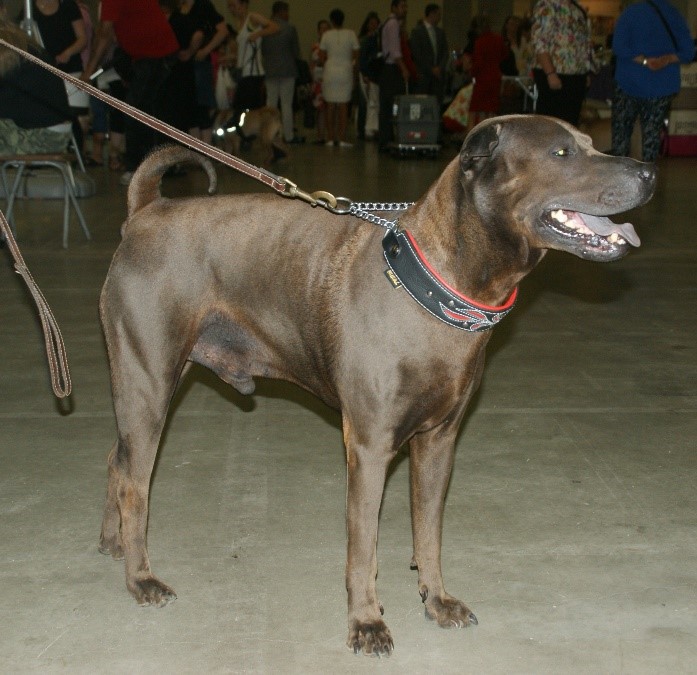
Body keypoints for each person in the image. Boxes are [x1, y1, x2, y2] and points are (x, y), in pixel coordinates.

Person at [82, 0, 179, 185]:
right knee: (146, 109)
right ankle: (153, 167)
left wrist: (88, 71)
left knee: (136, 111)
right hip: (152, 55)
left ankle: (139, 169)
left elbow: (104, 34)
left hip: (155, 55)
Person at [611, 0, 694, 162]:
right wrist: (667, 59)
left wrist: (644, 61)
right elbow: (688, 52)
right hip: (661, 86)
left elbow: (618, 46)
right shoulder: (674, 14)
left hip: (628, 83)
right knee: (651, 138)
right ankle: (649, 180)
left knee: (621, 137)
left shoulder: (630, 13)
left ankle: (618, 179)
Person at [0, 18, 73, 155]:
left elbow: (6, 102)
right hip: (55, 133)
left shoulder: (8, 52)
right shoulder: (23, 44)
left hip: (43, 137)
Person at [531, 0, 592, 126]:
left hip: (576, 74)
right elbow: (539, 42)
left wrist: (585, 71)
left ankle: (566, 147)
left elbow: (583, 42)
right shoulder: (547, 5)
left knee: (570, 124)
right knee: (551, 124)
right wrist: (550, 73)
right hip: (556, 73)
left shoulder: (577, 7)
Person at [180, 0, 229, 145]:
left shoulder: (203, 6)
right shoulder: (178, 7)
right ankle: (195, 148)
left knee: (201, 107)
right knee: (189, 108)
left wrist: (206, 50)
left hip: (200, 63)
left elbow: (223, 30)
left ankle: (205, 149)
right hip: (183, 65)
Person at [227, 0, 278, 121]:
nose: (232, 9)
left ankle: (255, 133)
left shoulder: (253, 18)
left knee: (248, 108)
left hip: (253, 72)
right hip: (244, 71)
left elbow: (275, 27)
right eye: (230, 7)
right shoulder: (239, 22)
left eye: (234, 6)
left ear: (243, 4)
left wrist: (258, 34)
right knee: (243, 108)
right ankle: (248, 134)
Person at [262, 1, 302, 144]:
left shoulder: (265, 28)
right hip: (287, 70)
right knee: (286, 105)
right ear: (282, 11)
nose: (288, 14)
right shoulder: (290, 28)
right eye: (287, 11)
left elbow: (263, 51)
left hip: (270, 70)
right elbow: (296, 52)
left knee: (270, 104)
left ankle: (270, 134)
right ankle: (289, 135)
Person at [318, 8, 359, 147]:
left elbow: (321, 55)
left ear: (332, 21)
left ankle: (330, 138)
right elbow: (356, 53)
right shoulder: (351, 34)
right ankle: (341, 138)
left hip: (330, 71)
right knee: (343, 105)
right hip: (345, 71)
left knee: (330, 105)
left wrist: (328, 63)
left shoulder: (326, 35)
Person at [467, 14, 509, 130]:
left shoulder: (479, 41)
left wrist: (471, 72)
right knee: (492, 110)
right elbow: (505, 55)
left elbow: (478, 63)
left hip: (482, 79)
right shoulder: (498, 38)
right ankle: (492, 135)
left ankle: (471, 135)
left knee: (475, 110)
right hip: (495, 77)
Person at [377, 0, 408, 151]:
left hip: (387, 69)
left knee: (387, 106)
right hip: (391, 69)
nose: (405, 9)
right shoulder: (393, 24)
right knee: (391, 106)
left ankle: (386, 139)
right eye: (402, 6)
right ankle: (386, 140)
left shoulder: (388, 23)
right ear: (394, 7)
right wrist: (404, 69)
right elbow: (395, 52)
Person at [408, 3, 448, 106]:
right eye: (438, 15)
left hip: (437, 79)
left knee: (436, 105)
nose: (440, 18)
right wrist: (431, 69)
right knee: (422, 104)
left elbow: (445, 53)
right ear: (431, 14)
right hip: (423, 77)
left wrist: (440, 67)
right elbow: (417, 54)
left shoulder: (440, 33)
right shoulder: (417, 32)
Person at [357, 11, 380, 140]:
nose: (373, 25)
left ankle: (370, 128)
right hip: (366, 74)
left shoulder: (376, 39)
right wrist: (365, 74)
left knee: (372, 102)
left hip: (373, 74)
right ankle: (364, 129)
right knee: (365, 102)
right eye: (371, 23)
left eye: (375, 23)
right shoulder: (365, 40)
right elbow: (363, 59)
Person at [309, 18, 330, 144]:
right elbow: (314, 63)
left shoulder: (332, 46)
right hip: (318, 80)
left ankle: (330, 134)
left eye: (327, 28)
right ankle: (320, 135)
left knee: (331, 108)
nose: (324, 31)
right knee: (320, 109)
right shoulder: (315, 46)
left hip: (330, 78)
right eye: (322, 28)